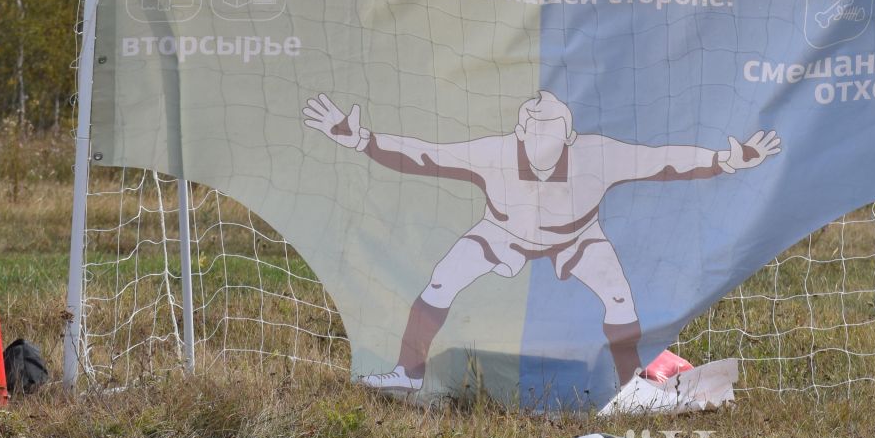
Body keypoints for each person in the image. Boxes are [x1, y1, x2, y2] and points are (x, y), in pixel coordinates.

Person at [301, 90, 782, 395]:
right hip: (501, 232)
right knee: (443, 278)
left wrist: (725, 160)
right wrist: (361, 139)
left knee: (618, 294)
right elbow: (428, 155)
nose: (541, 149)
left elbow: (662, 161)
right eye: (532, 138)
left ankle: (632, 386)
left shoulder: (598, 156)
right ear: (519, 132)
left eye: (551, 140)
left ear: (569, 136)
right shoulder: (493, 154)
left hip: (577, 237)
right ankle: (407, 374)